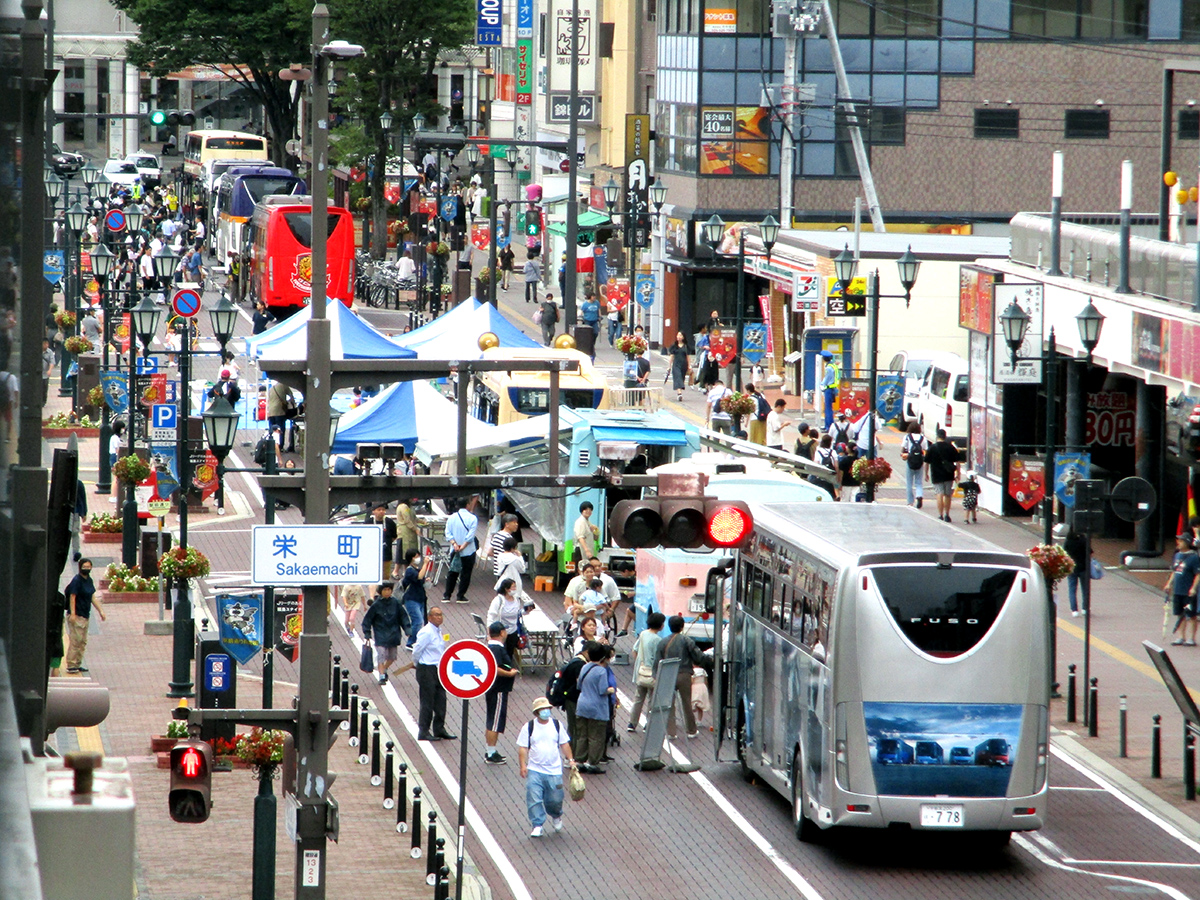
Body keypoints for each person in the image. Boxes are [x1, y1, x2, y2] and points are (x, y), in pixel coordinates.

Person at [516, 697, 576, 838]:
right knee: (534, 798)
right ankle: (537, 824)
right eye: (542, 710)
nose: (546, 712)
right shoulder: (528, 727)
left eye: (547, 709)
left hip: (554, 770)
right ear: (536, 712)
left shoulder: (557, 725)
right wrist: (523, 765)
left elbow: (564, 744)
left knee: (555, 799)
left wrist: (571, 760)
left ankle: (556, 815)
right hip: (535, 769)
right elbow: (523, 748)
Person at [659, 615, 712, 740]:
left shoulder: (663, 642)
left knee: (669, 704)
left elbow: (658, 661)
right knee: (687, 702)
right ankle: (691, 730)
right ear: (682, 627)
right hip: (684, 674)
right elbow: (698, 656)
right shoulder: (687, 640)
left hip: (668, 674)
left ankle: (671, 732)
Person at [412, 607, 456, 740]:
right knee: (427, 701)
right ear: (429, 617)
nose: (439, 617)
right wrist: (416, 663)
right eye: (436, 615)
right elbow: (417, 650)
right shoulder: (426, 632)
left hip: (438, 668)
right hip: (427, 669)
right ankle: (424, 731)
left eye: (441, 614)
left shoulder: (438, 631)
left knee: (441, 700)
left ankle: (439, 729)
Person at [573, 644, 614, 773]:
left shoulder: (585, 667)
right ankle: (593, 763)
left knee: (582, 735)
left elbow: (579, 685)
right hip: (597, 707)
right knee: (596, 736)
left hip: (582, 705)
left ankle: (580, 760)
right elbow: (602, 690)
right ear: (603, 657)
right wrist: (611, 690)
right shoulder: (601, 671)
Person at [484, 621, 520, 764]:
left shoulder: (492, 647)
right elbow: (494, 668)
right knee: (495, 721)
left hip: (494, 689)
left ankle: (490, 750)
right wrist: (509, 673)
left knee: (492, 719)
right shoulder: (496, 649)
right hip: (498, 689)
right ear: (502, 633)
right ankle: (491, 753)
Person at [359, 582, 410, 685]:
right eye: (385, 590)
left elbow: (403, 616)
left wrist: (407, 629)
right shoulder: (376, 605)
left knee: (392, 657)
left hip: (394, 634)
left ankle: (385, 669)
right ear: (380, 591)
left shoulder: (395, 603)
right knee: (381, 655)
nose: (387, 592)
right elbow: (367, 620)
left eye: (389, 590)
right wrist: (367, 633)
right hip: (380, 633)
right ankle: (382, 676)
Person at [64, 558, 104, 674]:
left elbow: (92, 596)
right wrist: (73, 613)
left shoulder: (89, 580)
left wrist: (101, 611)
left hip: (85, 615)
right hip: (77, 615)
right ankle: (71, 664)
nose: (86, 569)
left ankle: (77, 663)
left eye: (88, 567)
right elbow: (72, 596)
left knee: (82, 641)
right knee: (76, 640)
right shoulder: (77, 580)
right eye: (84, 567)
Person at [627, 611, 665, 732]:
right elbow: (659, 658)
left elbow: (635, 650)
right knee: (652, 700)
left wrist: (639, 664)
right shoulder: (658, 640)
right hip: (652, 673)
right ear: (660, 625)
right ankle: (648, 724)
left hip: (640, 671)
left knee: (638, 699)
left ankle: (631, 724)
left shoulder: (643, 634)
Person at [443, 496, 480, 604]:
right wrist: (463, 546)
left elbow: (448, 533)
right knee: (466, 573)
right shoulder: (473, 518)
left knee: (452, 572)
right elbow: (470, 535)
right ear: (468, 505)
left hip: (454, 549)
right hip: (468, 550)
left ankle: (447, 595)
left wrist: (454, 544)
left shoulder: (452, 517)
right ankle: (460, 595)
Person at [1166, 533, 1200, 646]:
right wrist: (1169, 584)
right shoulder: (1177, 556)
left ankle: (1191, 638)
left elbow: (1198, 574)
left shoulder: (1194, 557)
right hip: (1178, 590)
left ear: (1186, 542)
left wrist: (1193, 588)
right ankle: (1181, 637)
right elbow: (1174, 571)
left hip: (1188, 591)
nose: (1178, 543)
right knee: (1179, 613)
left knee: (1191, 615)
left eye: (1180, 541)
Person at [927, 428, 960, 522]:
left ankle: (940, 514)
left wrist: (926, 473)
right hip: (949, 474)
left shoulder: (932, 447)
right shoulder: (951, 447)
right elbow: (957, 462)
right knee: (948, 495)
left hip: (936, 474)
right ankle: (947, 514)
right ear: (945, 437)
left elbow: (927, 462)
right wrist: (958, 474)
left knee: (939, 494)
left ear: (937, 436)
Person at [399, 549, 430, 648]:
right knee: (418, 621)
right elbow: (419, 577)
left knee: (418, 621)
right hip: (411, 599)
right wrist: (425, 564)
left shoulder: (416, 569)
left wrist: (426, 580)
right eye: (415, 556)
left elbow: (421, 579)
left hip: (420, 598)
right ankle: (411, 642)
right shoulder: (409, 570)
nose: (417, 558)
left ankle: (415, 640)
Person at [487, 577, 525, 659]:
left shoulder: (516, 600)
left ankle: (508, 667)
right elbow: (491, 616)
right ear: (507, 589)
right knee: (500, 654)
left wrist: (526, 611)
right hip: (500, 632)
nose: (515, 589)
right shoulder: (498, 600)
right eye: (513, 587)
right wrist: (489, 632)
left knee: (510, 653)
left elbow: (518, 613)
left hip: (513, 631)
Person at [900, 422, 928, 509]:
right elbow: (926, 450)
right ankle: (919, 495)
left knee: (909, 482)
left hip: (910, 460)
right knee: (919, 481)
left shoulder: (907, 437)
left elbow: (902, 448)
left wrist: (902, 454)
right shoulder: (923, 438)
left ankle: (910, 501)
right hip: (919, 461)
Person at [1063, 528, 1089, 618]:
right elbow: (1090, 552)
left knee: (1072, 589)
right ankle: (1085, 608)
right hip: (1083, 568)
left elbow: (1064, 553)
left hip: (1072, 568)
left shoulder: (1068, 541)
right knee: (1085, 589)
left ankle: (1074, 610)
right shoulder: (1083, 540)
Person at [368, 501, 397, 576]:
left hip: (386, 555)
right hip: (372, 556)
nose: (381, 512)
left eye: (383, 510)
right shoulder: (369, 522)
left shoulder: (389, 522)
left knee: (385, 577)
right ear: (373, 511)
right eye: (379, 510)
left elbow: (394, 536)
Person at [820, 350, 839, 429]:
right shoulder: (834, 366)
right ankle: (827, 425)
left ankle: (829, 426)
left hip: (828, 389)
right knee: (828, 408)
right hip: (833, 388)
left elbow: (826, 379)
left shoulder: (829, 368)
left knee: (828, 409)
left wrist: (822, 385)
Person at [668, 332, 689, 402]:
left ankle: (680, 391)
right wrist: (669, 366)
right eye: (678, 335)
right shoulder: (674, 346)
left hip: (684, 364)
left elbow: (688, 356)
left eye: (680, 335)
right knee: (678, 377)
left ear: (683, 337)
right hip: (676, 364)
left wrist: (689, 366)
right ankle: (679, 393)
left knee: (681, 377)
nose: (679, 337)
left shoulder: (686, 346)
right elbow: (671, 356)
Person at [108, 420, 126, 502]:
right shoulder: (115, 438)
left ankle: (115, 495)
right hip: (115, 457)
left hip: (114, 457)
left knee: (116, 477)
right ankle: (114, 496)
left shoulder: (116, 437)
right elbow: (117, 450)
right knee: (116, 478)